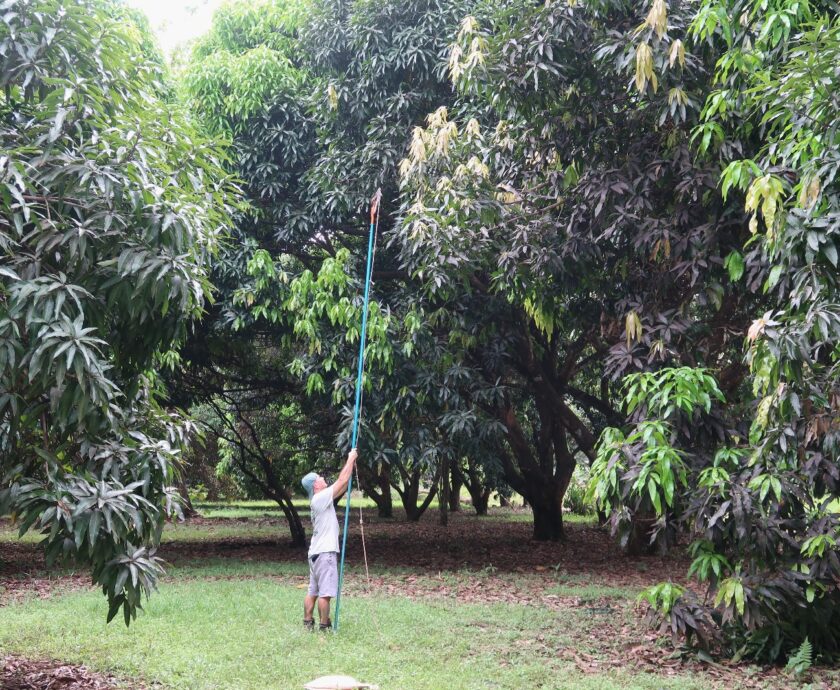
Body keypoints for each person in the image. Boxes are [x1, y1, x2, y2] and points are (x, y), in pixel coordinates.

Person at [300, 448, 358, 631]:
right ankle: (325, 625)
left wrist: (350, 465)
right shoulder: (319, 498)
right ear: (315, 486)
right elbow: (342, 481)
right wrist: (351, 458)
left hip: (315, 553)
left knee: (313, 591)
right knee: (325, 594)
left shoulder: (318, 500)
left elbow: (342, 484)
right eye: (319, 478)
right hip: (325, 553)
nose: (323, 479)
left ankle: (308, 622)